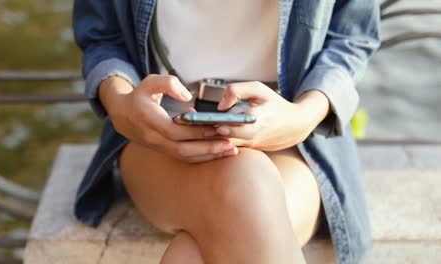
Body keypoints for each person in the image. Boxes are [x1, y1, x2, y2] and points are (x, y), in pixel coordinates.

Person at [72, 0, 380, 263]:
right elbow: (102, 36)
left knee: (192, 255)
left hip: (293, 146)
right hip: (157, 138)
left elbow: (351, 38)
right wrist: (120, 101)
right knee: (245, 181)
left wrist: (303, 116)